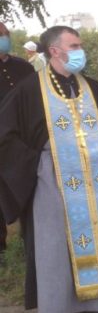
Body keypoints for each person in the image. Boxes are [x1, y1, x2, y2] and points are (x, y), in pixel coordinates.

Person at [0, 26, 98, 313]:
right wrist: (35, 163)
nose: (80, 51)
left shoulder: (91, 87)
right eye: (74, 45)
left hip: (95, 178)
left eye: (80, 45)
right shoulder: (29, 89)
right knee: (55, 241)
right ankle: (59, 309)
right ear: (55, 51)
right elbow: (5, 134)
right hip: (52, 176)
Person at [0, 22, 36, 253]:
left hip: (23, 141)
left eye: (4, 34)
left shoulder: (23, 66)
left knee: (27, 189)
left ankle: (30, 240)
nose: (3, 38)